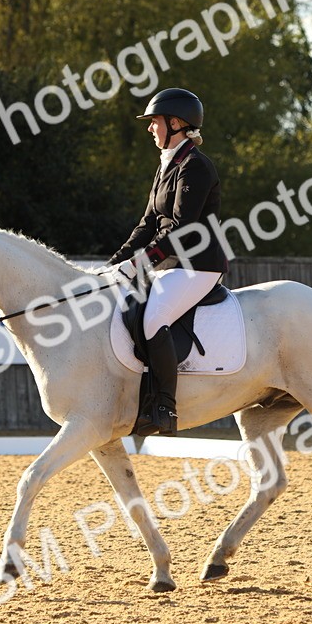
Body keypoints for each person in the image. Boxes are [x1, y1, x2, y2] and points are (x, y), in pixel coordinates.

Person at [103, 88, 228, 436]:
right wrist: (113, 264)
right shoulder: (167, 166)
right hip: (171, 265)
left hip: (198, 265)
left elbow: (183, 230)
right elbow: (147, 224)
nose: (150, 128)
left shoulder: (196, 166)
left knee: (153, 317)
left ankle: (164, 408)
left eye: (155, 121)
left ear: (175, 123)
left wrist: (140, 264)